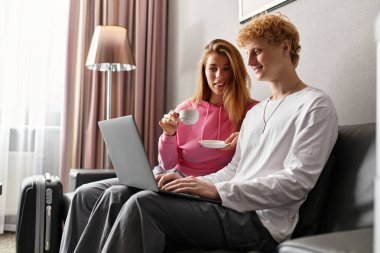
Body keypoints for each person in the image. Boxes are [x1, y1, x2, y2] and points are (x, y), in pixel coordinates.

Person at [64, 13, 339, 253]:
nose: (251, 61)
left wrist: (215, 190)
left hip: (260, 222)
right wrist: (194, 184)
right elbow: (235, 169)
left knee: (143, 204)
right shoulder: (257, 113)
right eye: (249, 54)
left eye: (257, 51)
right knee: (119, 194)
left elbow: (296, 182)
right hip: (229, 205)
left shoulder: (315, 105)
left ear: (285, 47)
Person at [60, 39, 258, 253]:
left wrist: (246, 136)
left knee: (116, 195)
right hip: (166, 174)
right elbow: (168, 163)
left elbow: (248, 162)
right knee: (83, 194)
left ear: (236, 72)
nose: (220, 76)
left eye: (226, 69)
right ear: (203, 71)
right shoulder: (187, 108)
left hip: (194, 187)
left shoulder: (251, 111)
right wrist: (169, 135)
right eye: (213, 68)